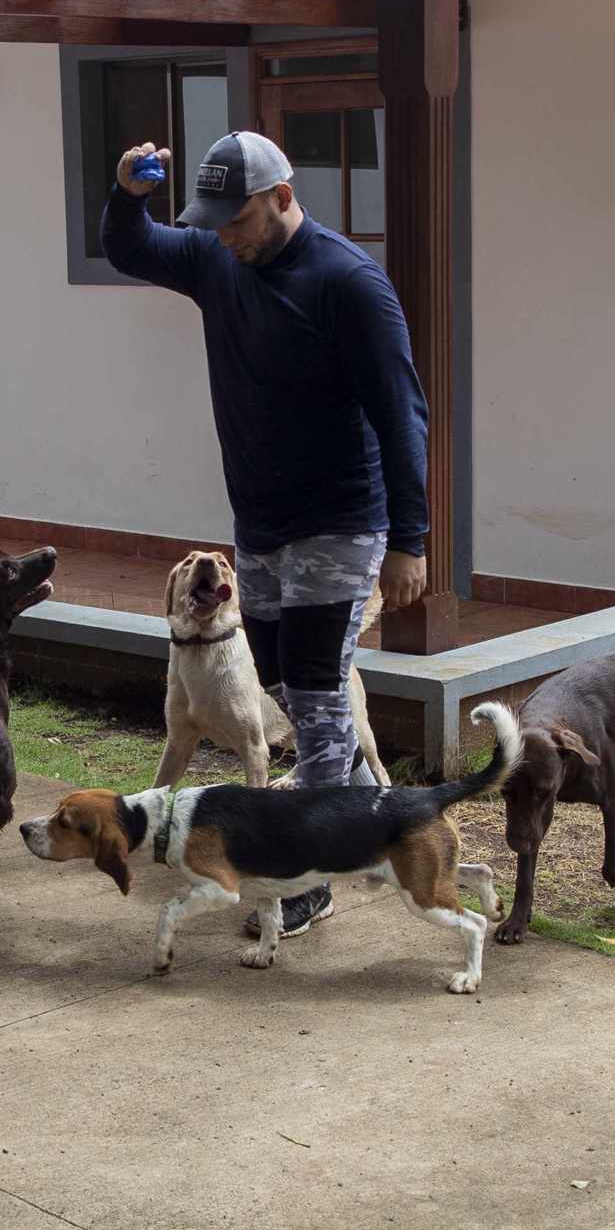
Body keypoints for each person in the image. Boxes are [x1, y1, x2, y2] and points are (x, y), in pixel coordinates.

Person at [102, 131, 430, 940]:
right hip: (260, 523)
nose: (224, 234)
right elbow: (130, 247)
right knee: (286, 682)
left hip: (341, 523)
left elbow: (402, 413)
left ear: (282, 196)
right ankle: (377, 816)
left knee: (317, 698)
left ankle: (310, 878)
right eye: (212, 220)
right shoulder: (221, 261)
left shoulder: (348, 283)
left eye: (237, 217)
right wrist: (126, 194)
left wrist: (410, 538)